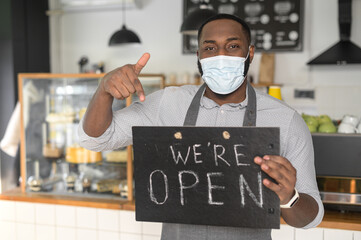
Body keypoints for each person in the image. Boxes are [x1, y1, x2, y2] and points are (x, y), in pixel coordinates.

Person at [79, 14, 324, 240]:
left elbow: (311, 218)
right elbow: (95, 140)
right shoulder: (167, 104)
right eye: (210, 48)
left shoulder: (286, 120)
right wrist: (103, 91)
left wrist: (289, 198)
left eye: (232, 46)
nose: (221, 55)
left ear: (250, 53)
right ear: (198, 56)